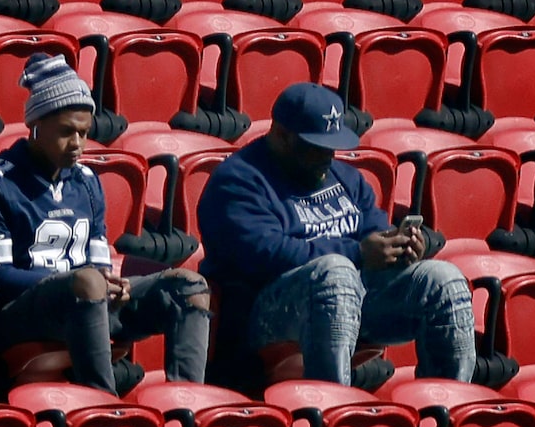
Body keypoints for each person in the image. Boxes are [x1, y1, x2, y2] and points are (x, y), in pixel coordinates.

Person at [0, 55, 210, 391]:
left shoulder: (86, 181)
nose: (77, 144)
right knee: (88, 282)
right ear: (36, 125)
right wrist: (78, 280)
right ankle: (101, 404)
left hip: (90, 300)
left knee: (188, 286)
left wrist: (111, 284)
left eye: (84, 133)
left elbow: (97, 258)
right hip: (23, 313)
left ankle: (186, 402)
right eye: (66, 132)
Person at [193, 82, 473, 388]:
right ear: (282, 135)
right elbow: (264, 254)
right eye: (315, 146)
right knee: (335, 272)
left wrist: (397, 248)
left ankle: (447, 407)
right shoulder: (238, 181)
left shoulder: (342, 176)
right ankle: (332, 411)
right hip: (258, 315)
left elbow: (372, 230)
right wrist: (358, 254)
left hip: (349, 302)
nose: (327, 155)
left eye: (331, 145)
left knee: (443, 279)